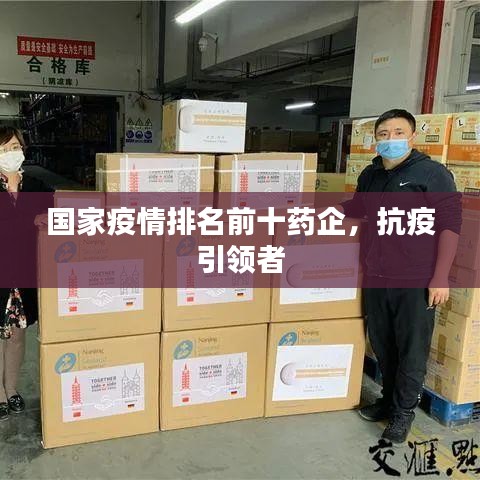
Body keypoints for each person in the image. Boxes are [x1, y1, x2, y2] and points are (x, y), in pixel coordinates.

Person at [338, 109, 461, 445]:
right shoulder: (372, 174)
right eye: (383, 134)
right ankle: (388, 400)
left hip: (416, 278)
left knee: (410, 349)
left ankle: (403, 413)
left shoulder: (432, 174)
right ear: (375, 139)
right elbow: (357, 208)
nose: (390, 139)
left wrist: (440, 276)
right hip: (377, 274)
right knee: (382, 344)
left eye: (397, 133)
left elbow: (450, 227)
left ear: (412, 136)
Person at [0, 126, 52, 421]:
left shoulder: (35, 185)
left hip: (22, 276)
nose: (11, 153)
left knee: (17, 337)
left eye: (15, 147)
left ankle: (11, 389)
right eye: (4, 149)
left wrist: (46, 217)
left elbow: (55, 212)